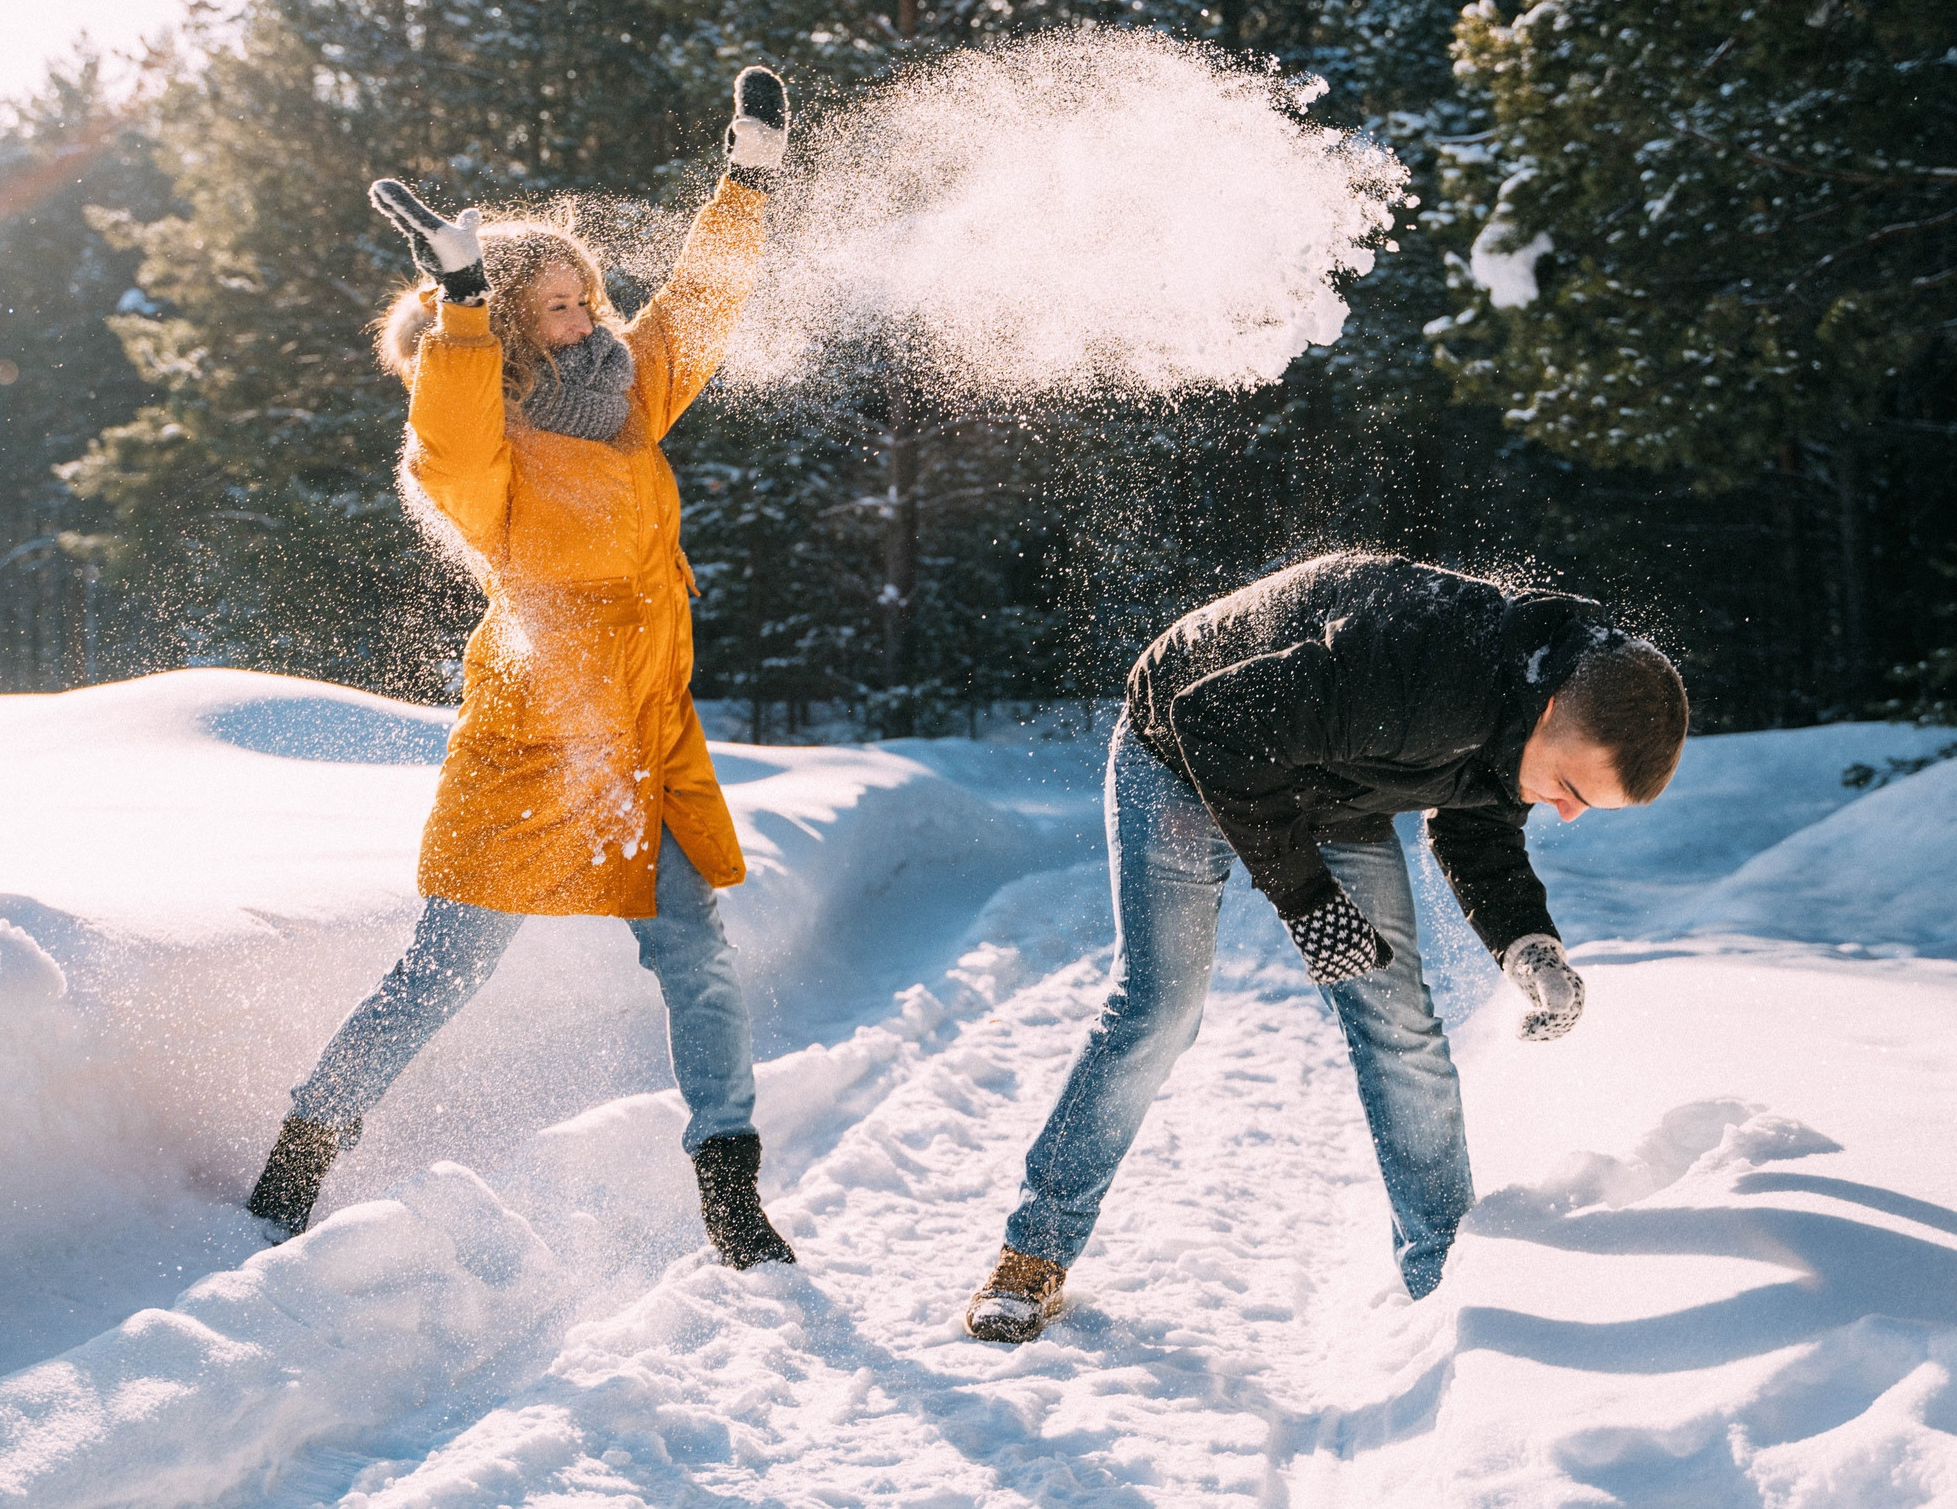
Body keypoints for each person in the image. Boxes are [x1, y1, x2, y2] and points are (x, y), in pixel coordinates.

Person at [244, 67, 800, 1270]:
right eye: (556, 308)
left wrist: (746, 180)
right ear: (507, 330)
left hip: (641, 743)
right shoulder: (486, 459)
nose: (588, 319)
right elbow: (442, 440)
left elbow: (698, 304)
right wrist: (458, 301)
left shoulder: (629, 398)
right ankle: (303, 1146)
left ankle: (730, 1191)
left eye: (586, 296)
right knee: (442, 975)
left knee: (697, 959)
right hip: (533, 746)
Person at [963, 553, 1689, 1342]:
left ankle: (1444, 1276)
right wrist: (1311, 904)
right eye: (1572, 789)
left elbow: (1476, 824)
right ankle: (1032, 1252)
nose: (1568, 813)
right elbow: (1211, 721)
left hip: (1330, 788)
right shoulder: (1422, 673)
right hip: (1181, 752)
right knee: (1159, 1008)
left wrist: (1529, 946)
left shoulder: (1535, 698)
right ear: (1548, 711)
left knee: (1401, 1026)